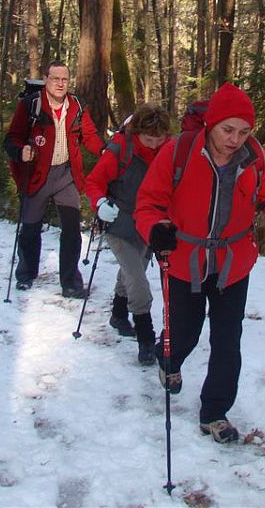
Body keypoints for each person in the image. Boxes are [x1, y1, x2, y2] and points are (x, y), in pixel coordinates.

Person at [134, 82, 265, 444]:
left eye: (244, 132)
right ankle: (170, 358)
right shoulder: (178, 152)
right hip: (184, 260)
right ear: (211, 124)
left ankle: (214, 412)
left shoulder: (256, 157)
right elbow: (148, 204)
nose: (235, 139)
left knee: (228, 340)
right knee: (185, 332)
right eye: (228, 130)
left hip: (233, 262)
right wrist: (155, 230)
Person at [4, 60, 105, 298]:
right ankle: (26, 274)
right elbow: (12, 138)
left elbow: (89, 135)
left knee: (71, 229)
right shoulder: (31, 105)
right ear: (46, 79)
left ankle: (70, 282)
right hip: (37, 174)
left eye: (64, 79)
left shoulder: (76, 105)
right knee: (30, 227)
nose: (60, 84)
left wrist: (104, 150)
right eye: (55, 78)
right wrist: (21, 151)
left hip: (66, 174)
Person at [85, 103, 172, 365]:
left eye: (160, 138)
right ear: (137, 133)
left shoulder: (169, 150)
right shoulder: (120, 150)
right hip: (119, 223)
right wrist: (99, 204)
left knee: (133, 273)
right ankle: (146, 338)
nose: (155, 144)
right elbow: (94, 182)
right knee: (138, 279)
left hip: (149, 225)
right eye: (149, 139)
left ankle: (118, 314)